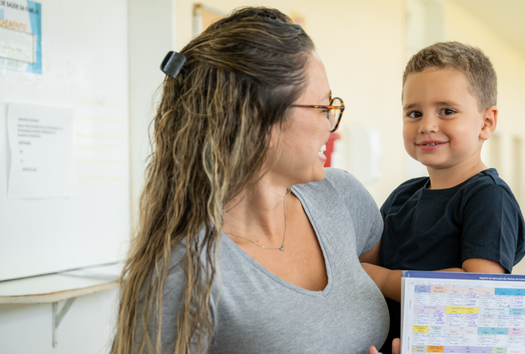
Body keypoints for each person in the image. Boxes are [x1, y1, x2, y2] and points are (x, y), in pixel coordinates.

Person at [110, 7, 396, 354]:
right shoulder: (186, 272)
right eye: (321, 108)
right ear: (257, 121)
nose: (330, 124)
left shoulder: (342, 197)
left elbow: (393, 300)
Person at [360, 42, 525, 354]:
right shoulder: (403, 195)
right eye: (414, 112)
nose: (426, 125)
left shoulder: (489, 197)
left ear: (486, 122)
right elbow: (361, 264)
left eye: (447, 111)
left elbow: (475, 287)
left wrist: (383, 280)